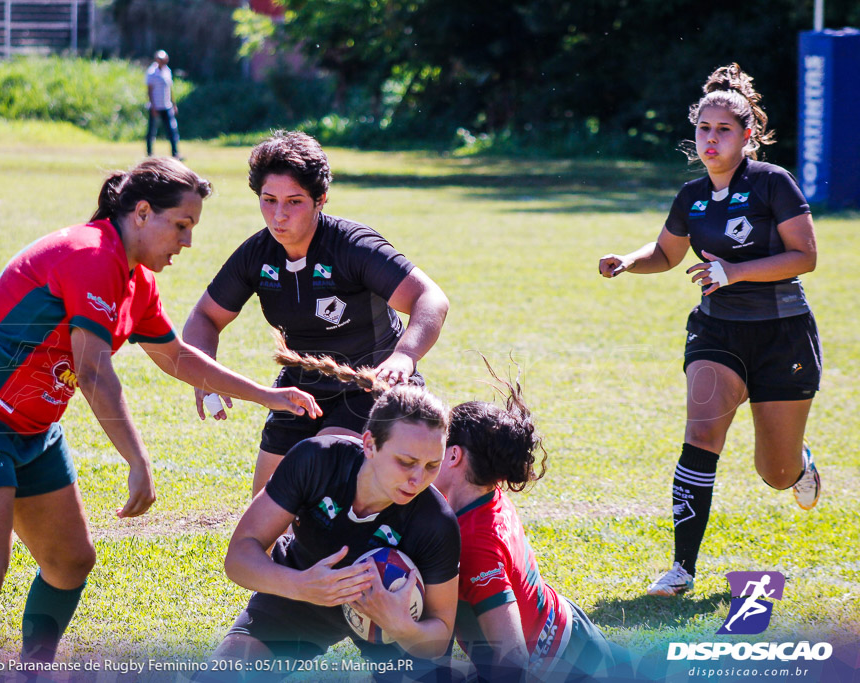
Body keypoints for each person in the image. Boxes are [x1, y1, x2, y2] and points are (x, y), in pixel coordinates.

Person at [0, 157, 320, 680]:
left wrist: (267, 395)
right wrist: (137, 459)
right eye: (182, 225)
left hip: (31, 431)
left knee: (70, 562)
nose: (187, 242)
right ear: (142, 213)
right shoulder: (92, 254)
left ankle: (34, 672)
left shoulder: (133, 280)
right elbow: (93, 371)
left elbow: (179, 357)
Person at [598, 63, 821, 597]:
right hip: (717, 332)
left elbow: (805, 256)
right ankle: (681, 570)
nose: (711, 138)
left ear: (747, 135)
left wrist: (735, 270)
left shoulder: (772, 183)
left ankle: (799, 467)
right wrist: (629, 260)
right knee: (701, 435)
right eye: (703, 128)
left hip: (783, 335)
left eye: (723, 129)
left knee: (775, 472)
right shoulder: (691, 195)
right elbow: (667, 253)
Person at [183, 130, 450, 495]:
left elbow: (430, 298)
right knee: (265, 505)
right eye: (268, 200)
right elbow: (204, 318)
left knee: (319, 464)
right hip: (298, 389)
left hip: (368, 387)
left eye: (294, 201)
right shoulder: (258, 255)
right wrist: (204, 372)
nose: (279, 215)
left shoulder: (352, 246)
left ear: (320, 199)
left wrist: (404, 356)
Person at [208, 349, 460, 680]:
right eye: (406, 462)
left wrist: (402, 626)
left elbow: (439, 634)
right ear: (369, 444)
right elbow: (239, 557)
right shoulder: (316, 461)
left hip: (392, 620)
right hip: (302, 589)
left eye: (432, 465)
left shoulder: (435, 521)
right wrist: (301, 586)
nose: (418, 479)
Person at [433, 365, 617, 682]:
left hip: (562, 666)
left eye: (435, 443)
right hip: (570, 631)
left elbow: (513, 661)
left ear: (453, 456)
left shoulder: (475, 543)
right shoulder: (486, 494)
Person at [145, 49, 181, 158]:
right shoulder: (152, 71)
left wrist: (173, 104)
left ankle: (175, 153)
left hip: (166, 105)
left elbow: (170, 89)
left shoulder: (167, 71)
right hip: (156, 106)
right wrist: (153, 107)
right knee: (151, 131)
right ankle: (149, 153)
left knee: (172, 130)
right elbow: (149, 90)